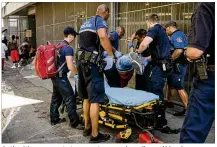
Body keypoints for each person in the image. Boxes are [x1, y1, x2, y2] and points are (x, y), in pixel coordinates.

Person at [77, 4, 113, 143]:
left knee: (86, 97)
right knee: (96, 99)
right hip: (92, 63)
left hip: (81, 61)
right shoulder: (100, 20)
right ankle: (95, 134)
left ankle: (86, 127)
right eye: (108, 14)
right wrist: (111, 55)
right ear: (106, 12)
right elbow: (103, 38)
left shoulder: (86, 23)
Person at [180, 2, 215, 143]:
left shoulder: (206, 6)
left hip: (210, 78)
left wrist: (186, 53)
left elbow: (195, 52)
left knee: (193, 134)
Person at [50, 26, 80, 128]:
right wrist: (77, 73)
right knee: (70, 97)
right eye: (74, 36)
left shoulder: (59, 45)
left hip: (54, 75)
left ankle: (54, 118)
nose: (74, 38)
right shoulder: (68, 48)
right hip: (61, 77)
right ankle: (74, 122)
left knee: (56, 97)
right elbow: (70, 66)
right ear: (70, 35)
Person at [137, 14, 172, 101]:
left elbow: (144, 44)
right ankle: (158, 111)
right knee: (157, 89)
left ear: (149, 22)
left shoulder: (154, 29)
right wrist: (147, 59)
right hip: (164, 64)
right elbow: (160, 50)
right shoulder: (162, 31)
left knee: (155, 89)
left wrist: (137, 53)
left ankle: (157, 113)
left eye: (147, 24)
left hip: (159, 67)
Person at [164, 21, 189, 116]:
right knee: (171, 83)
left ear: (170, 27)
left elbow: (179, 50)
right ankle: (169, 102)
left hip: (178, 64)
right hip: (176, 64)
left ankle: (187, 108)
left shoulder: (177, 34)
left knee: (179, 86)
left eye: (166, 29)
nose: (166, 32)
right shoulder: (178, 34)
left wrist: (170, 60)